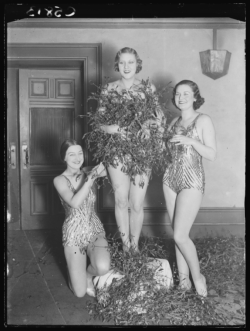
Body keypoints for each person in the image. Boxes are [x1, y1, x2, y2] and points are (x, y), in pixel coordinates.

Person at [99, 47, 164, 252]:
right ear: (117, 65)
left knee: (136, 204)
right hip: (116, 149)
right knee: (120, 199)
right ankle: (126, 247)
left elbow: (159, 118)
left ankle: (134, 246)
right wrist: (113, 128)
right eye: (122, 62)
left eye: (131, 62)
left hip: (141, 150)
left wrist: (148, 125)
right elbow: (98, 123)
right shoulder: (108, 89)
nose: (126, 67)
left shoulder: (147, 88)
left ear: (138, 64)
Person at [163, 80, 217, 297]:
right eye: (178, 94)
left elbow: (212, 154)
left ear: (195, 97)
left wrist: (190, 140)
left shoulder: (203, 120)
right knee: (177, 233)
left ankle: (197, 277)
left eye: (186, 93)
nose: (181, 97)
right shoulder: (173, 122)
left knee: (180, 235)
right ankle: (183, 283)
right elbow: (164, 151)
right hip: (170, 179)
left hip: (192, 179)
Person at [53, 139, 110, 298]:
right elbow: (75, 202)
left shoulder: (87, 171)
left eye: (80, 153)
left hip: (94, 230)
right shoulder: (59, 180)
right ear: (64, 157)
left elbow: (114, 167)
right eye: (71, 154)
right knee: (79, 293)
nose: (77, 158)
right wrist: (91, 178)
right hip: (73, 234)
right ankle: (72, 267)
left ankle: (87, 274)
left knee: (102, 268)